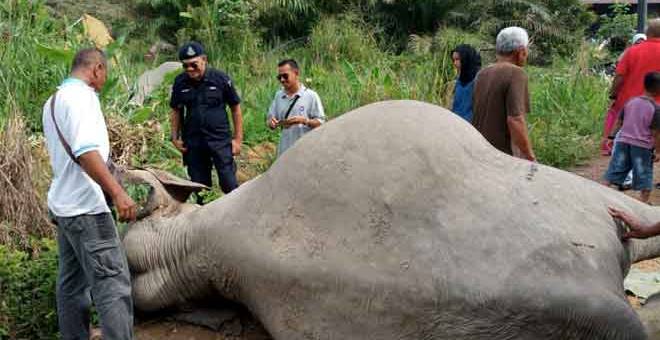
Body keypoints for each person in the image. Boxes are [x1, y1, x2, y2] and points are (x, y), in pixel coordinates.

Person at [42, 48, 136, 339]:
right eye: (104, 73)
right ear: (96, 69)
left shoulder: (53, 101)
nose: (104, 80)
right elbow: (85, 152)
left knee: (71, 285)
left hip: (64, 207)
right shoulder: (82, 98)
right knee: (113, 286)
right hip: (87, 209)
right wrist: (118, 193)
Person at [169, 42, 243, 202]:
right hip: (194, 143)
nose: (189, 69)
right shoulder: (180, 82)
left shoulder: (220, 79)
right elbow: (176, 110)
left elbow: (235, 107)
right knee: (201, 188)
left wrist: (237, 139)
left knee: (229, 184)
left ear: (204, 60)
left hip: (220, 141)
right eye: (185, 66)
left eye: (193, 65)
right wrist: (175, 138)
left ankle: (236, 217)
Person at [471, 26, 535, 162]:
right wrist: (530, 156)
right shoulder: (516, 73)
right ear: (521, 52)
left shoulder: (482, 73)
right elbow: (515, 120)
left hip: (478, 150)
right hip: (501, 156)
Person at [604, 72, 660, 203]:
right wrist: (658, 151)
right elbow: (656, 133)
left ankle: (602, 194)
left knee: (615, 171)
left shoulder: (631, 102)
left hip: (623, 142)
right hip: (642, 147)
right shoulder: (656, 109)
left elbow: (619, 121)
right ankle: (643, 203)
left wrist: (611, 137)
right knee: (644, 175)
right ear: (658, 88)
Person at [601, 33, 648, 156]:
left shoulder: (629, 53)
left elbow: (619, 76)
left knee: (618, 119)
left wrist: (613, 94)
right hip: (648, 97)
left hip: (627, 96)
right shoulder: (650, 52)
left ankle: (610, 144)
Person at [267, 59, 325, 156]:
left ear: (296, 73)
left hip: (305, 152)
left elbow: (321, 123)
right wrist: (271, 123)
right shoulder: (278, 96)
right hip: (284, 151)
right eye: (279, 77)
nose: (282, 80)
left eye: (285, 76)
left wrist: (304, 121)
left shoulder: (311, 96)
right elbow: (270, 119)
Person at [451, 44, 481, 122]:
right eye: (453, 60)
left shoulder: (479, 80)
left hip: (470, 126)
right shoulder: (458, 81)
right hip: (455, 122)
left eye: (457, 59)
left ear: (466, 59)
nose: (455, 63)